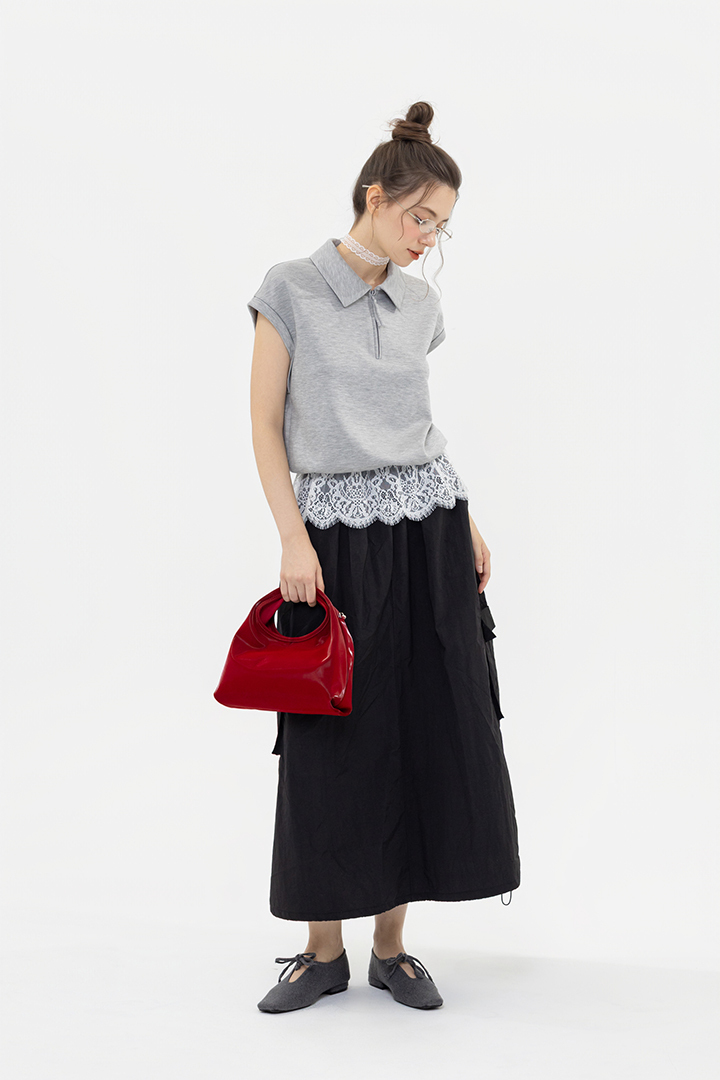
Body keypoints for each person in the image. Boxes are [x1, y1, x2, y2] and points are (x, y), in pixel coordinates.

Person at [247, 101, 521, 1014]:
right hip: (332, 534)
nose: (427, 240)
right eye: (420, 218)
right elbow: (264, 425)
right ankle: (321, 950)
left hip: (429, 525)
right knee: (331, 735)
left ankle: (392, 948)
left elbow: (418, 426)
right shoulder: (291, 288)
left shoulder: (420, 303)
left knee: (423, 723)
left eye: (440, 227)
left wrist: (466, 521)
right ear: (376, 196)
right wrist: (292, 537)